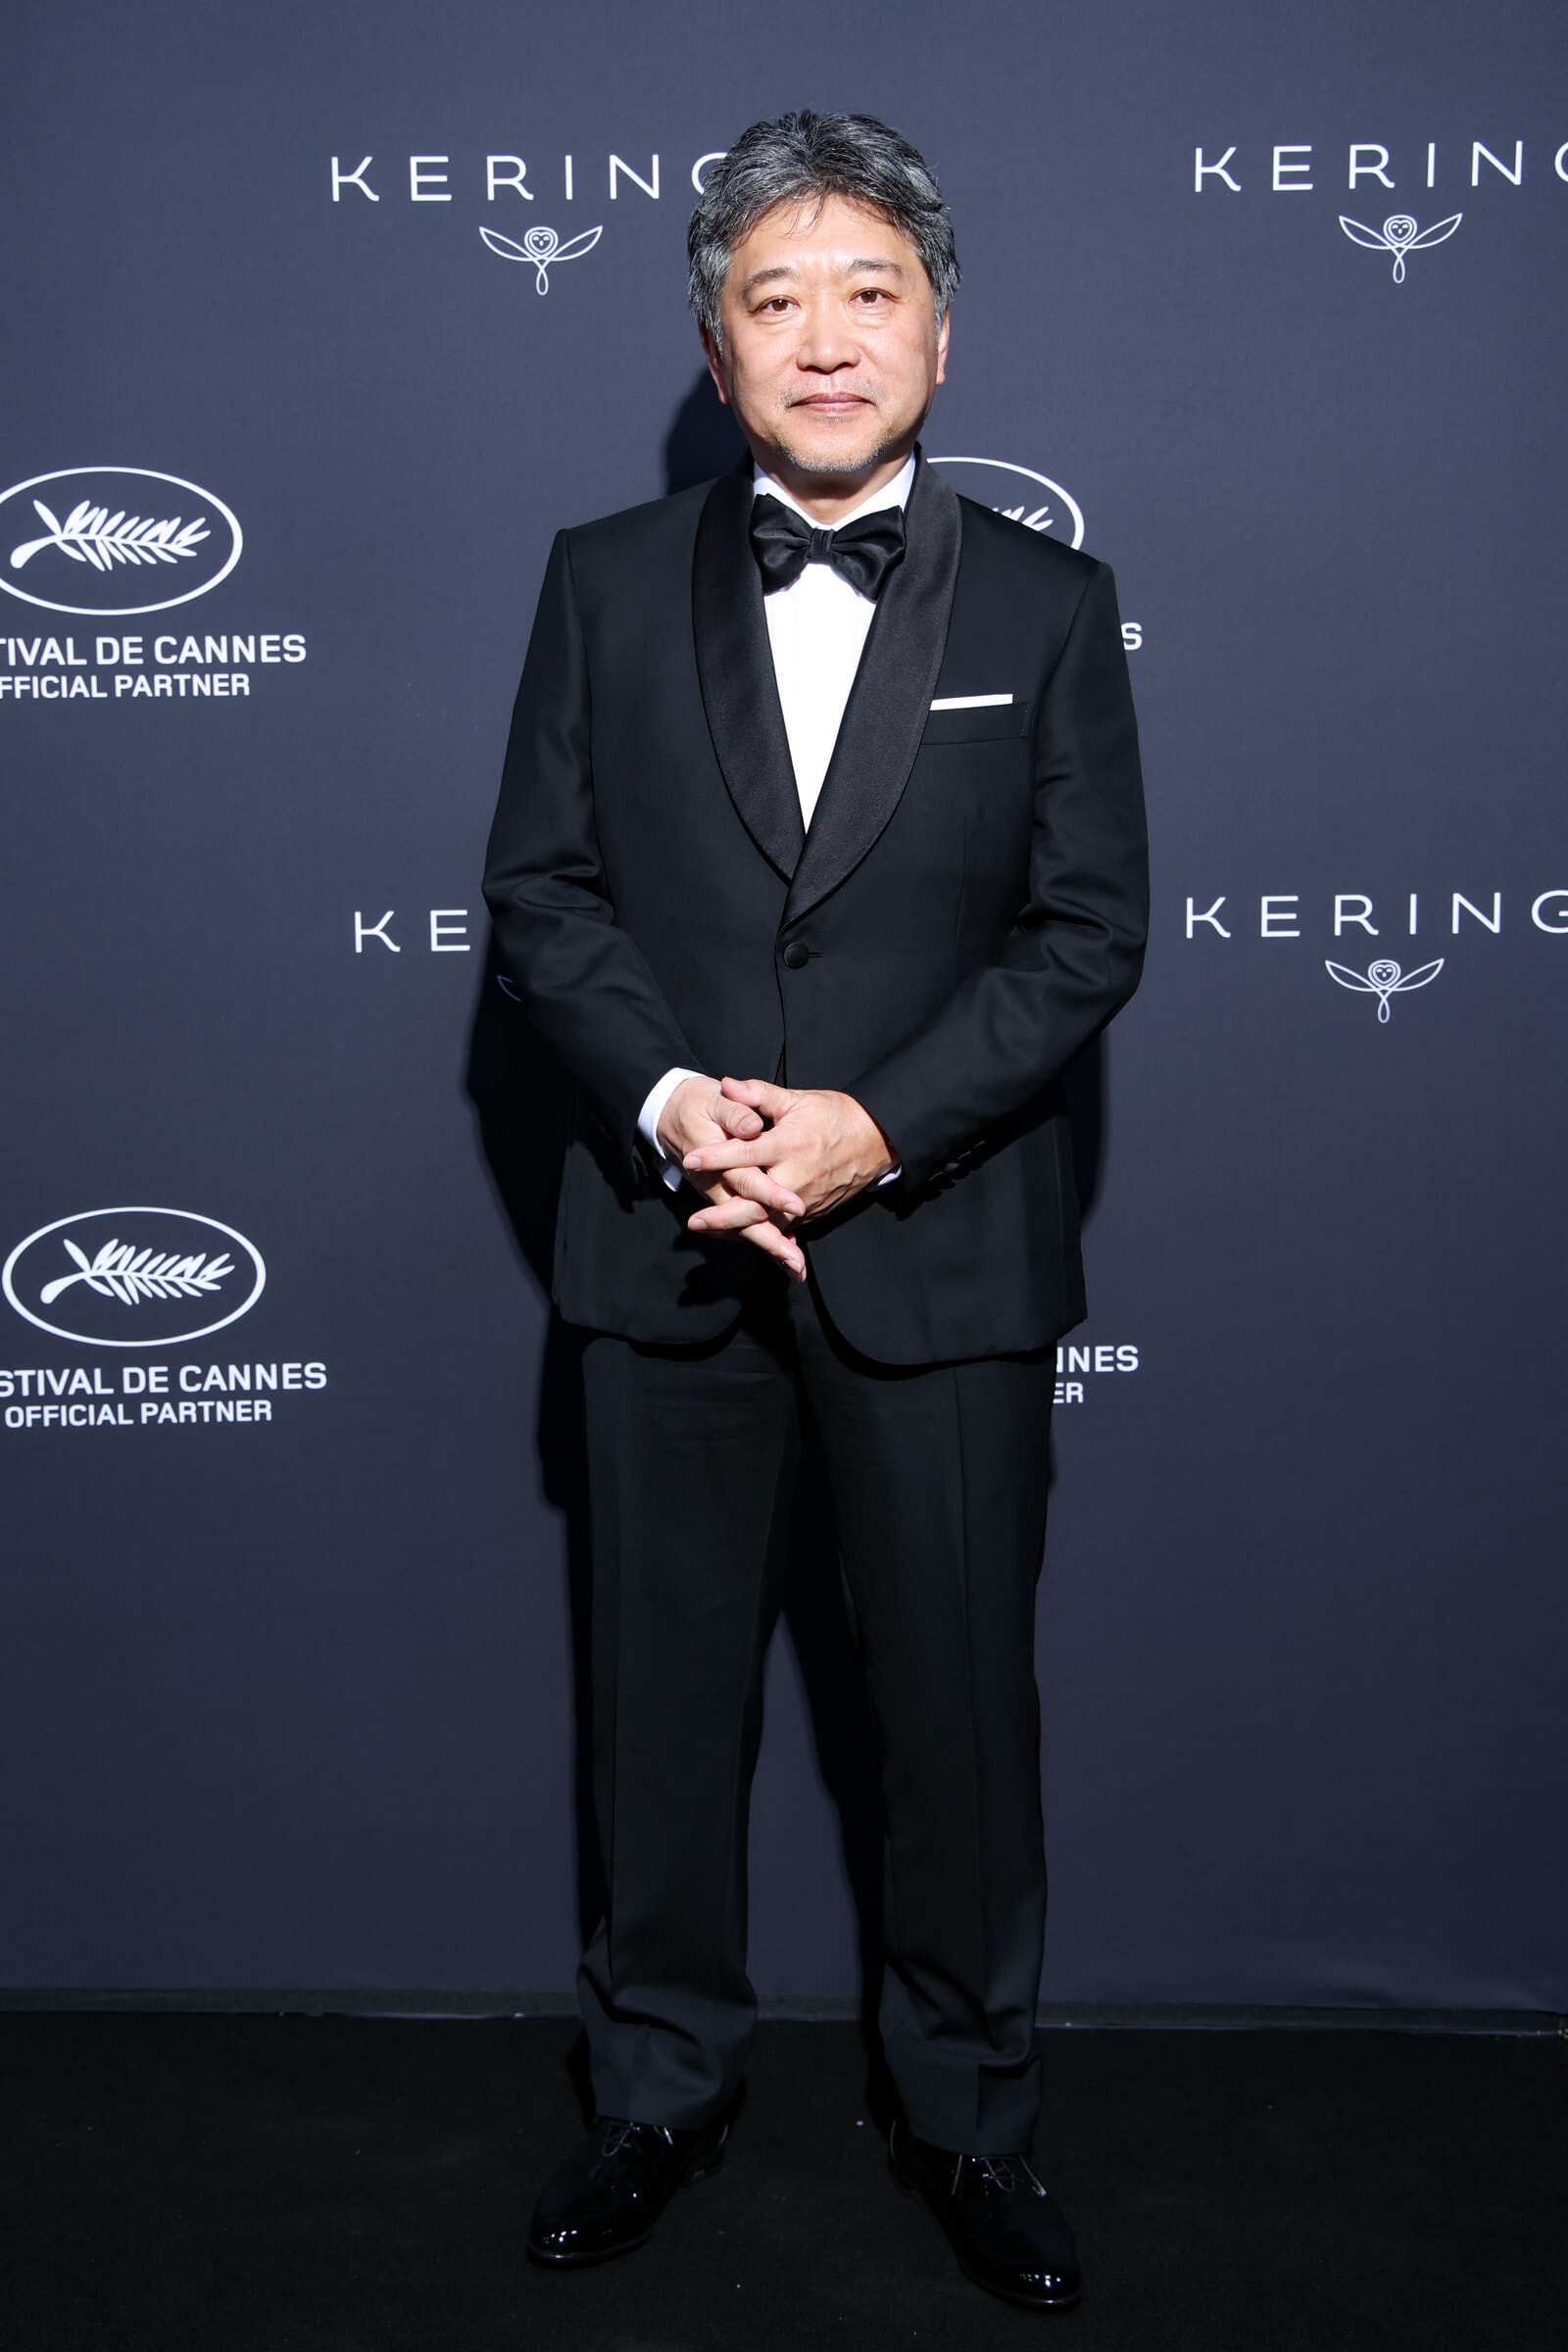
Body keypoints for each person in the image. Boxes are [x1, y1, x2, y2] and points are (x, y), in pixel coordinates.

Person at [482, 109, 1147, 2312]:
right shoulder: (597, 578)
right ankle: (654, 2091)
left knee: (956, 1723)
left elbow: (1086, 929)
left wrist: (873, 1129)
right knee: (656, 1716)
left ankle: (968, 2117)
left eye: (872, 291)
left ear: (941, 337)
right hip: (663, 1237)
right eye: (777, 299)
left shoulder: (1049, 602)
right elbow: (541, 894)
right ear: (716, 348)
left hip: (938, 1248)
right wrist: (682, 1109)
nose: (827, 335)